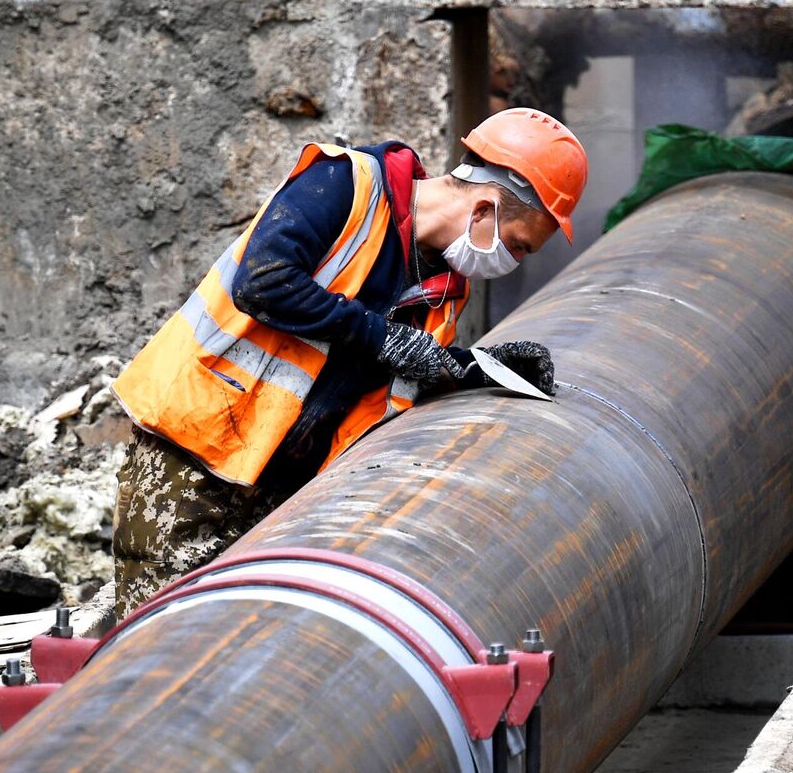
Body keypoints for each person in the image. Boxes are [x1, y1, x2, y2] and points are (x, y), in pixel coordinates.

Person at [108, 108, 588, 612]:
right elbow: (265, 283)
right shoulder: (345, 185)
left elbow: (393, 375)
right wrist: (385, 339)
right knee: (153, 641)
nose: (511, 262)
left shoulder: (442, 287)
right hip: (193, 461)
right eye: (517, 245)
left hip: (283, 494)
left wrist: (475, 369)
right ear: (485, 208)